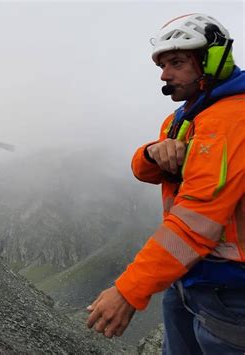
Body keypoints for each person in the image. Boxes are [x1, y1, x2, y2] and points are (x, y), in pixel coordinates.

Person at [86, 13, 245, 354]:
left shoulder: (231, 121)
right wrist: (152, 154)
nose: (164, 75)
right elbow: (141, 170)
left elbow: (195, 224)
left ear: (211, 61)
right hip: (189, 280)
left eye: (176, 62)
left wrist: (129, 290)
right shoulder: (187, 117)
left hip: (231, 293)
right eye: (161, 65)